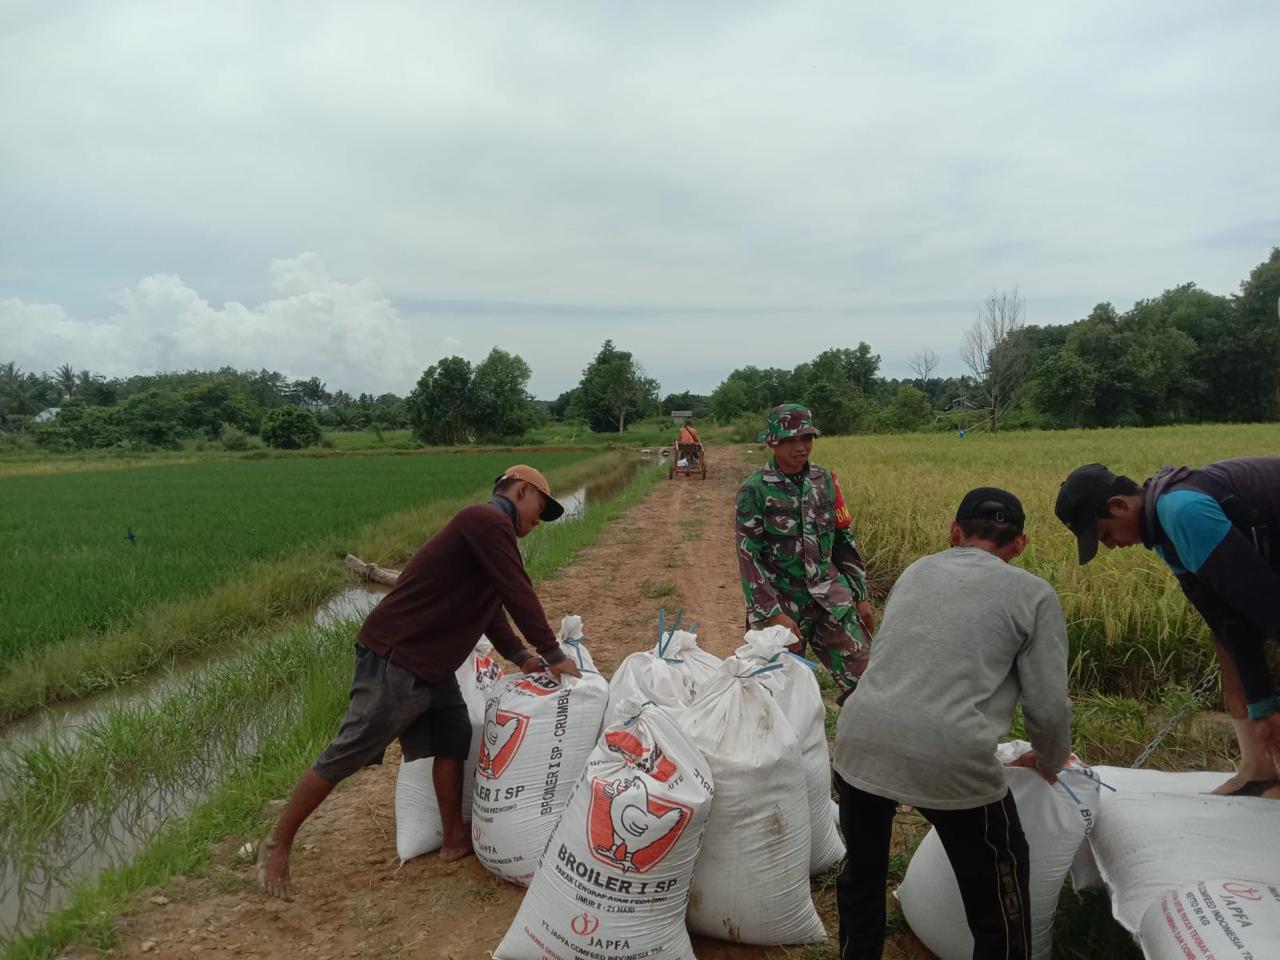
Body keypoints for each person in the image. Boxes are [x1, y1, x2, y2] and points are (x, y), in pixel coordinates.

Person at [258, 465, 582, 899]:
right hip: (398, 655)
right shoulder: (485, 520)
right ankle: (278, 843)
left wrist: (522, 656)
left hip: (431, 662)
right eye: (540, 508)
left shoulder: (488, 535)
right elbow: (516, 590)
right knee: (352, 748)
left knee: (453, 732)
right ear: (521, 491)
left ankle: (453, 838)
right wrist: (553, 653)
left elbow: (491, 605)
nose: (538, 521)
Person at [834, 488, 1071, 960]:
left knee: (861, 875)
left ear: (954, 532)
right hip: (951, 751)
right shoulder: (1034, 594)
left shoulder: (917, 570)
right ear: (1020, 544)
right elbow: (1048, 706)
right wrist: (1049, 760)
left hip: (861, 738)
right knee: (998, 895)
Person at [1056, 458, 1280, 795]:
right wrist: (1262, 708)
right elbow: (1223, 616)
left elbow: (1266, 605)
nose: (1110, 546)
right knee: (1226, 641)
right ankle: (1258, 767)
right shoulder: (1161, 533)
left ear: (1118, 505)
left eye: (1104, 534)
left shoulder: (1182, 511)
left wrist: (1267, 709)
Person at [735, 402, 875, 701]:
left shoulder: (824, 479)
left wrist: (860, 596)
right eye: (789, 440)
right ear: (772, 442)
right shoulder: (755, 489)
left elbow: (842, 539)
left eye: (806, 439)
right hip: (780, 602)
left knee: (869, 683)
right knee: (773, 696)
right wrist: (772, 614)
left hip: (830, 599)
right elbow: (749, 556)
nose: (800, 447)